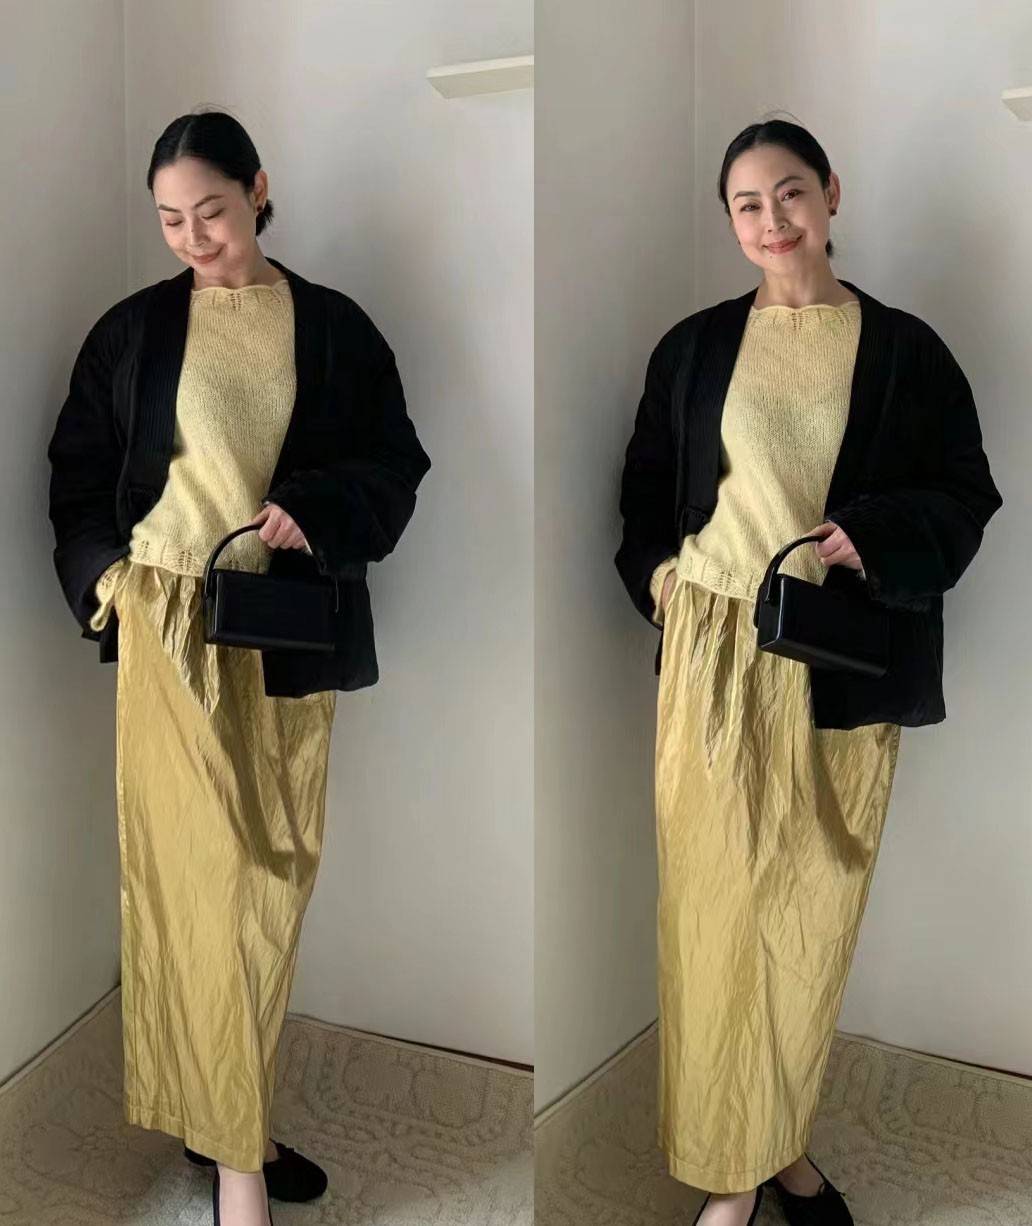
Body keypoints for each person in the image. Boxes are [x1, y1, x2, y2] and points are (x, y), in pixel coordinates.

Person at [614, 118, 1002, 1226]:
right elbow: (645, 488)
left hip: (835, 656)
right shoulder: (694, 348)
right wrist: (661, 578)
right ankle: (736, 1176)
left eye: (790, 192)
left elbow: (963, 492)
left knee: (806, 915)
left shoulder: (907, 352)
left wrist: (870, 536)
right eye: (747, 203)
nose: (772, 219)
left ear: (832, 192)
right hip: (712, 654)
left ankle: (778, 1144)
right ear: (728, 220)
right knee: (714, 912)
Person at [47, 109, 430, 1226]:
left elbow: (395, 461)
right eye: (170, 219)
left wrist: (316, 508)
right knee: (200, 883)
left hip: (283, 621)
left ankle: (226, 1116)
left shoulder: (335, 328)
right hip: (166, 622)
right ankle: (238, 1168)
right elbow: (76, 474)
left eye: (211, 210)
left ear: (259, 189)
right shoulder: (132, 331)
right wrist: (109, 581)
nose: (193, 237)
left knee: (271, 876)